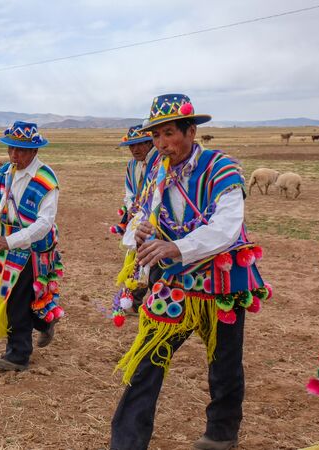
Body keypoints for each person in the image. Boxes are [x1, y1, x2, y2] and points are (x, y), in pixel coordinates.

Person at [110, 94, 271, 450]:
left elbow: (227, 227)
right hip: (174, 281)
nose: (162, 144)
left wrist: (176, 247)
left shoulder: (222, 168)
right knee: (147, 359)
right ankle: (126, 444)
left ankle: (221, 433)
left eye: (169, 133)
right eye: (156, 136)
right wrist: (138, 232)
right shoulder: (156, 170)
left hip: (222, 279)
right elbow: (142, 212)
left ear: (191, 131)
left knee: (224, 360)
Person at [0, 121, 64, 372]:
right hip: (5, 245)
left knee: (16, 299)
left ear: (35, 151)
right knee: (15, 297)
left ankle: (18, 355)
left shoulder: (46, 180)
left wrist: (10, 240)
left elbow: (44, 224)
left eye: (21, 150)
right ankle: (44, 321)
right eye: (11, 149)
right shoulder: (5, 172)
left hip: (32, 249)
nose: (14, 155)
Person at [111, 125, 161, 318]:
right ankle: (135, 299)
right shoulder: (132, 165)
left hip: (157, 219)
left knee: (154, 259)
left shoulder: (161, 162)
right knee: (138, 257)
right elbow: (130, 192)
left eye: (140, 144)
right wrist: (133, 207)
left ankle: (154, 301)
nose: (135, 149)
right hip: (139, 218)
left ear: (150, 143)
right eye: (132, 146)